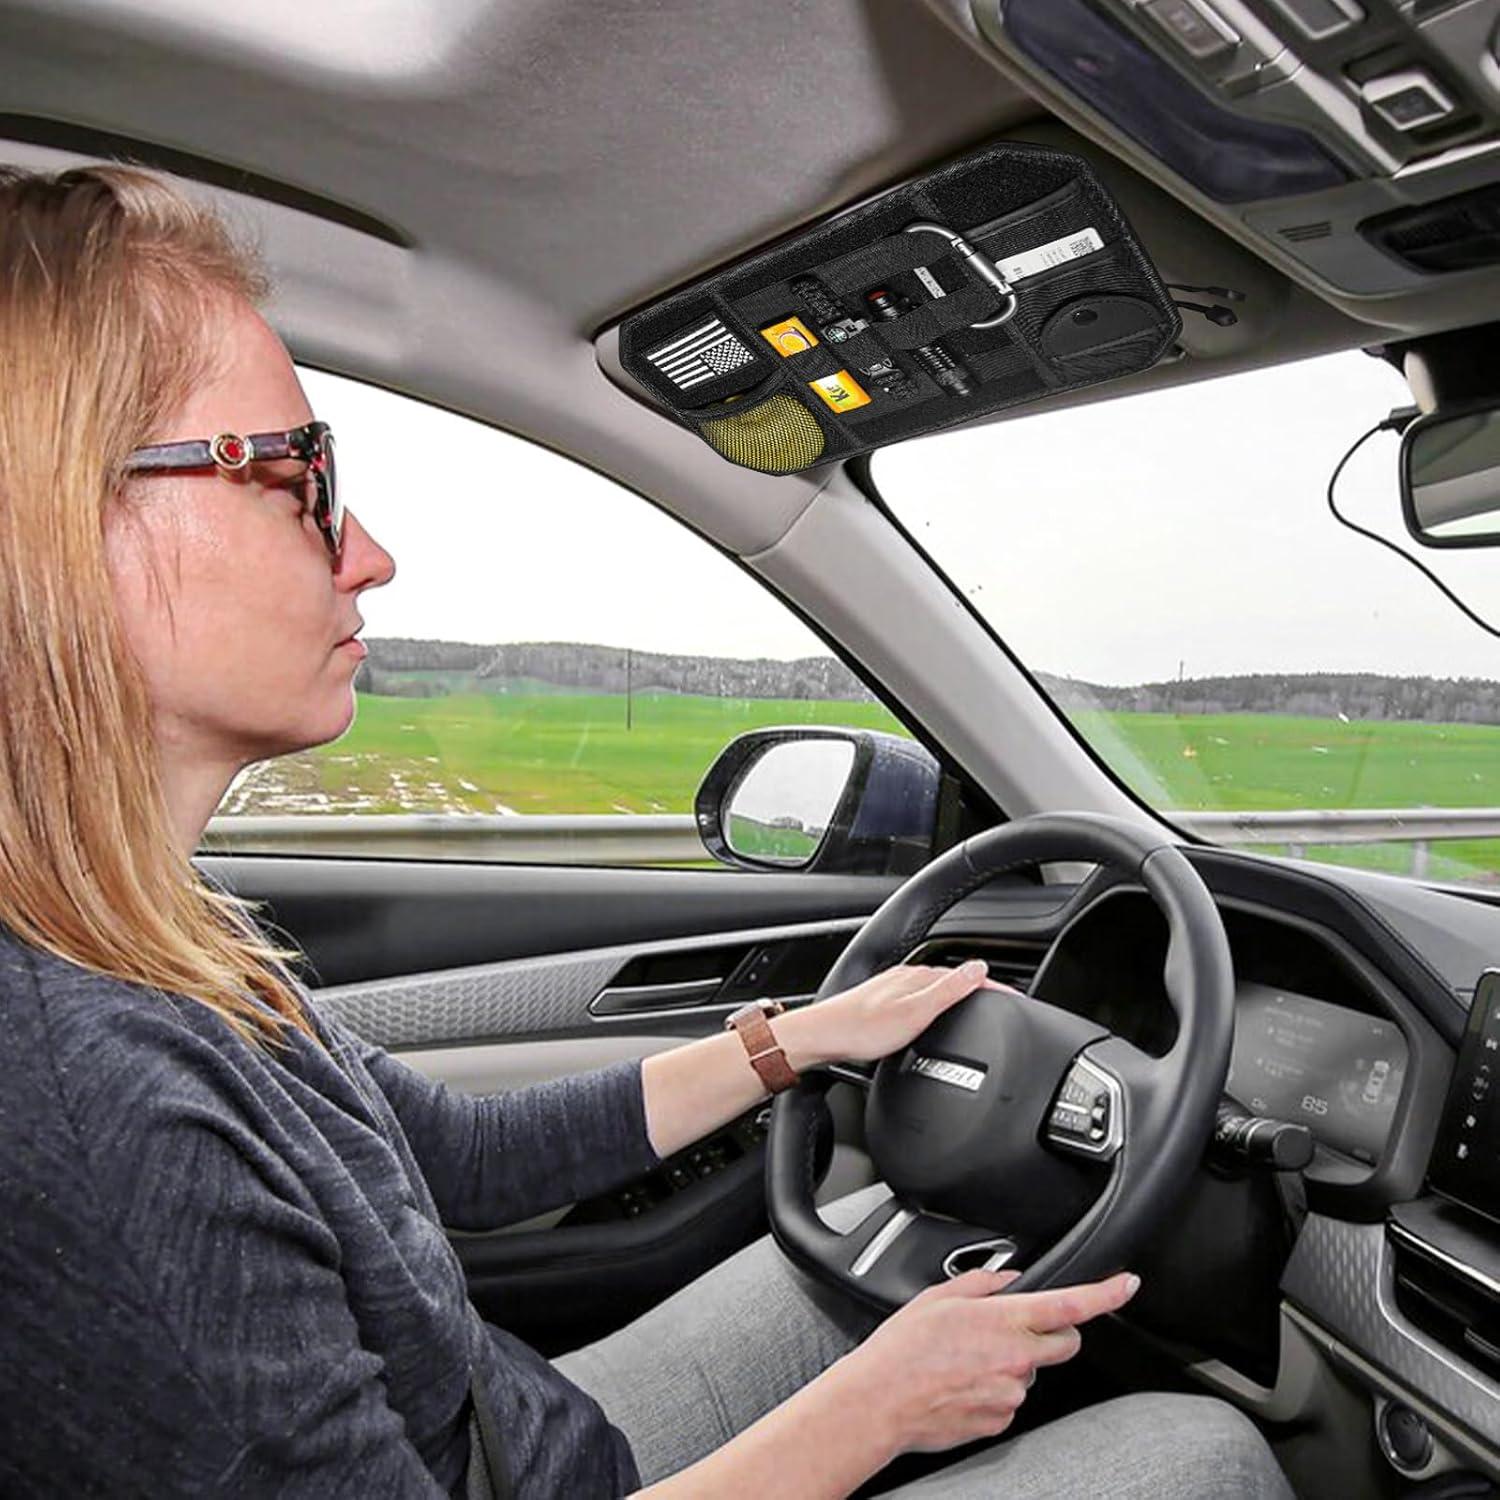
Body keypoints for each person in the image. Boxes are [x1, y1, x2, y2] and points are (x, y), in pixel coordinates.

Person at [0, 165, 1295, 1499]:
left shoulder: (148, 929)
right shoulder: (92, 1107)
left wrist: (800, 1041)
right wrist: (877, 1412)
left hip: (512, 1439)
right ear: (54, 528)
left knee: (885, 1230)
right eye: (296, 475)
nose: (368, 552)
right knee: (1198, 1454)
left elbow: (457, 1161)